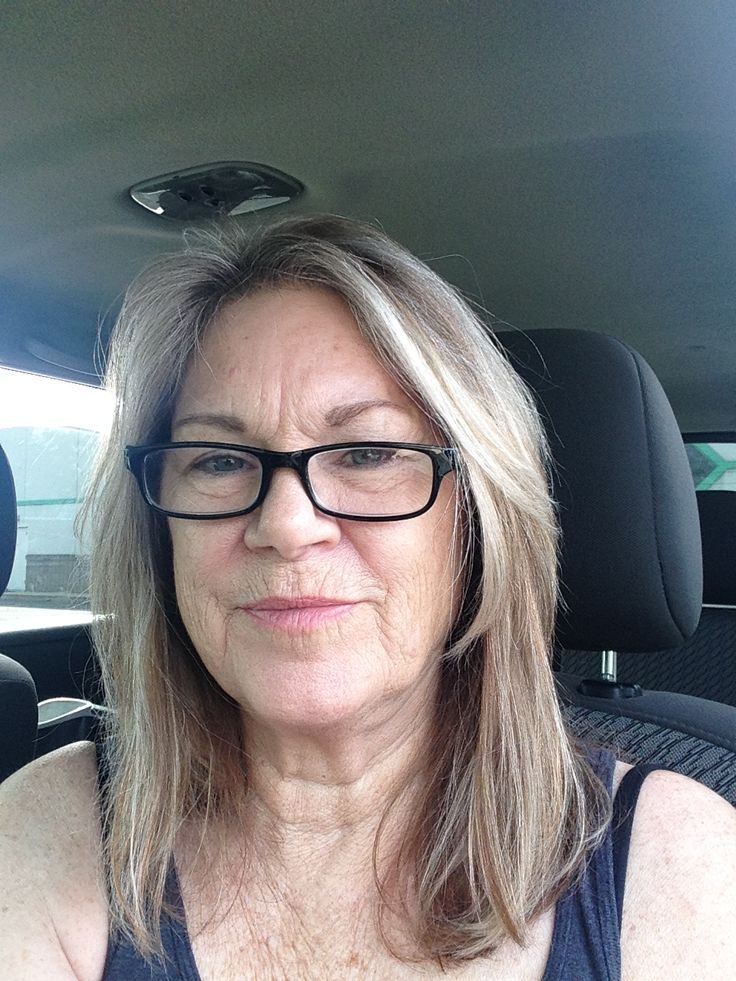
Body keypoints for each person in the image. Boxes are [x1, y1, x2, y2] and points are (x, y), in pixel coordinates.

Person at [0, 215, 734, 980]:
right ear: (161, 532)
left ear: (475, 518)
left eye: (368, 452)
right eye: (217, 460)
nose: (286, 526)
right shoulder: (45, 834)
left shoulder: (681, 867)